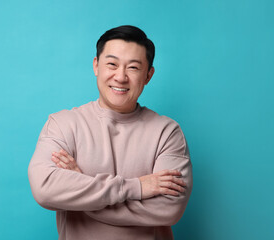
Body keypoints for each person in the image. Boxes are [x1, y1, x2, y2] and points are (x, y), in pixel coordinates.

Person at [28, 25, 193, 240]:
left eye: (133, 68)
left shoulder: (167, 132)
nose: (121, 77)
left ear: (148, 75)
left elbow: (168, 209)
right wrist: (137, 187)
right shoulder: (62, 124)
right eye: (112, 64)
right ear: (96, 65)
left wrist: (82, 189)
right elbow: (45, 188)